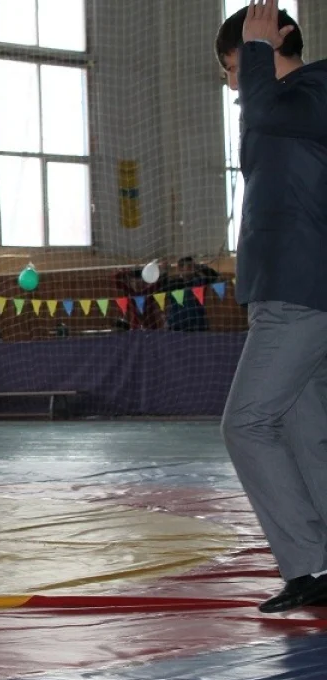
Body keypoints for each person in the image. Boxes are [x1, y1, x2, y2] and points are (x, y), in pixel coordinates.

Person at [216, 1, 327, 611]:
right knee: (302, 427)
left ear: (277, 43)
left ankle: (307, 565)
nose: (235, 83)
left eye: (235, 66)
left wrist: (258, 52)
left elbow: (266, 108)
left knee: (246, 424)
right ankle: (320, 562)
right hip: (285, 287)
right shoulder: (280, 107)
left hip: (300, 289)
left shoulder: (315, 91)